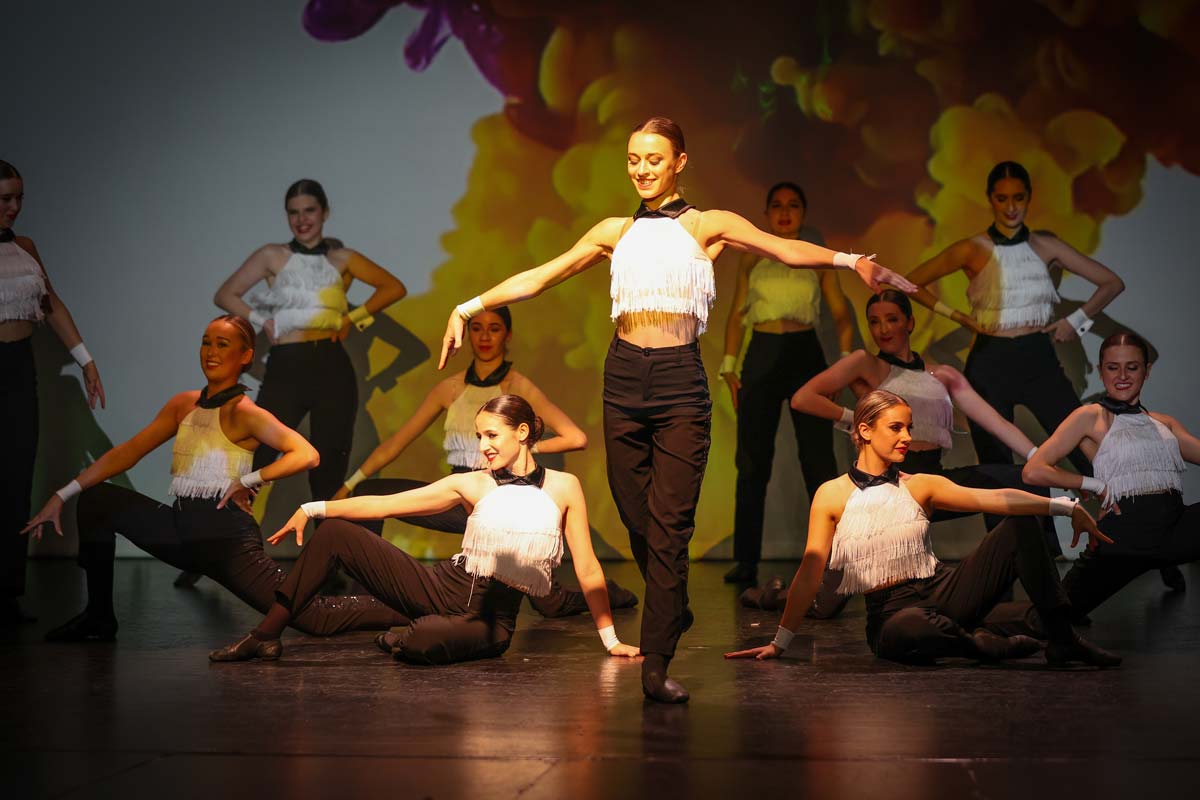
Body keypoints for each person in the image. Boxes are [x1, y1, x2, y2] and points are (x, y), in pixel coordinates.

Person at [435, 116, 917, 702]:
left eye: (654, 159)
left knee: (669, 528)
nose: (642, 169)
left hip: (679, 382)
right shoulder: (613, 231)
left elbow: (784, 250)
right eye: (634, 159)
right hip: (623, 377)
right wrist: (468, 305)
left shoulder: (707, 226)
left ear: (679, 163)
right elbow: (542, 277)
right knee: (634, 512)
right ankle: (674, 602)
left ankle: (656, 661)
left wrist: (850, 260)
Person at [23, 315, 404, 641]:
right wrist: (62, 494)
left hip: (226, 542)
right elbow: (128, 452)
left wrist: (249, 479)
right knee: (96, 500)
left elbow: (307, 454)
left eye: (223, 344)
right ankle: (98, 618)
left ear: (245, 355)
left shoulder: (246, 412)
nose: (211, 352)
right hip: (179, 531)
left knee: (314, 616)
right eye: (206, 342)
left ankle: (407, 607)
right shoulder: (182, 404)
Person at [209, 394, 641, 666]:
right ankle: (265, 636)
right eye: (478, 436)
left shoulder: (565, 487)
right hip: (440, 587)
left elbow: (587, 568)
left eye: (492, 435)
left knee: (422, 642)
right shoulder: (472, 483)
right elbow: (387, 504)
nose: (483, 446)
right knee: (336, 534)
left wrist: (610, 640)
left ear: (522, 432)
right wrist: (313, 507)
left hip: (491, 621)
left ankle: (403, 630)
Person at [724, 390, 1121, 668]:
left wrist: (1065, 507)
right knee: (910, 628)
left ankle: (1063, 641)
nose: (907, 438)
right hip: (892, 614)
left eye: (909, 428)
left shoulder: (920, 485)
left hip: (943, 590)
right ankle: (978, 644)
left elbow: (996, 498)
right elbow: (810, 573)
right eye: (896, 428)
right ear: (865, 430)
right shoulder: (832, 494)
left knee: (1020, 526)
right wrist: (780, 643)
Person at [741, 289, 1056, 615]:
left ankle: (1037, 596)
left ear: (910, 323)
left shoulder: (942, 375)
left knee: (1018, 480)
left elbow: (996, 423)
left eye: (892, 319)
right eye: (874, 322)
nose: (883, 329)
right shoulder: (867, 365)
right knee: (824, 605)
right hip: (886, 491)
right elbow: (803, 398)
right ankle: (769, 596)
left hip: (929, 483)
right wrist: (857, 420)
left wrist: (1039, 457)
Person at [333, 304, 638, 616]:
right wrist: (348, 485)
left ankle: (609, 594)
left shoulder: (517, 387)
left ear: (508, 335)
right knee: (369, 491)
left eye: (494, 329)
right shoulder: (451, 388)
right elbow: (395, 445)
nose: (484, 337)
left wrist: (524, 449)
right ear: (467, 334)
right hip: (461, 496)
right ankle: (362, 598)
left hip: (503, 500)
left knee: (550, 603)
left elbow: (576, 438)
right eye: (477, 328)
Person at [905, 161, 1124, 474]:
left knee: (1083, 447)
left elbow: (1112, 283)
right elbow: (910, 283)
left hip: (1037, 355)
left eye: (1018, 198)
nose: (1011, 207)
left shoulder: (1046, 246)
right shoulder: (973, 248)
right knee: (997, 465)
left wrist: (1075, 321)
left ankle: (1112, 504)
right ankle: (1017, 509)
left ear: (1029, 197)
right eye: (1002, 198)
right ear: (990, 199)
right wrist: (957, 316)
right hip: (990, 360)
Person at [214, 178, 407, 503]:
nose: (302, 219)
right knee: (257, 455)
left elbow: (394, 288)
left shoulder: (342, 258)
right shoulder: (272, 255)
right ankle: (231, 529)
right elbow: (225, 294)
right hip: (286, 365)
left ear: (324, 212)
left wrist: (351, 320)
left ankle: (326, 536)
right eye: (294, 212)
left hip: (331, 364)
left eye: (309, 210)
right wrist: (263, 321)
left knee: (328, 467)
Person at [990, 332, 1198, 633]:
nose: (1122, 376)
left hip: (1174, 528)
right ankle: (971, 624)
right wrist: (1093, 484)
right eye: (1113, 367)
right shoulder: (1090, 417)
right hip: (1123, 540)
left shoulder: (1164, 423)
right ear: (1101, 371)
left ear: (1147, 371)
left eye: (1132, 367)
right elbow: (1033, 471)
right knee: (1047, 621)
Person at [718, 182, 853, 584]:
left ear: (803, 213)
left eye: (793, 205)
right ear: (766, 213)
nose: (784, 212)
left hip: (804, 355)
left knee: (818, 459)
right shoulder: (752, 256)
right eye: (776, 205)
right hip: (761, 353)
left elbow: (841, 313)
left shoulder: (814, 256)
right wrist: (729, 366)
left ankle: (833, 556)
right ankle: (746, 561)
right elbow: (737, 315)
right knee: (752, 461)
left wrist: (845, 364)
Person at [1, 159, 106, 625]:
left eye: (19, 197)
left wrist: (86, 360)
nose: (14, 207)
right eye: (5, 198)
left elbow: (51, 304)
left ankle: (7, 591)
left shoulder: (24, 247)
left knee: (16, 476)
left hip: (18, 367)